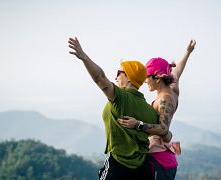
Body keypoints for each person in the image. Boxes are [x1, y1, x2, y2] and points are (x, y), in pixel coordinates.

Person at [68, 36, 159, 180]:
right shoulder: (151, 111)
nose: (115, 77)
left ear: (129, 78)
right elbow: (160, 131)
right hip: (143, 169)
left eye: (119, 73)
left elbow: (100, 78)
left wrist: (84, 57)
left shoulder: (120, 98)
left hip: (119, 167)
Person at [118, 39, 196, 180]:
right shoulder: (173, 88)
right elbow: (178, 70)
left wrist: (138, 124)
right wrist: (187, 52)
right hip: (162, 159)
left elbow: (164, 129)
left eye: (148, 77)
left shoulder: (165, 99)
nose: (146, 80)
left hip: (158, 159)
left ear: (158, 78)